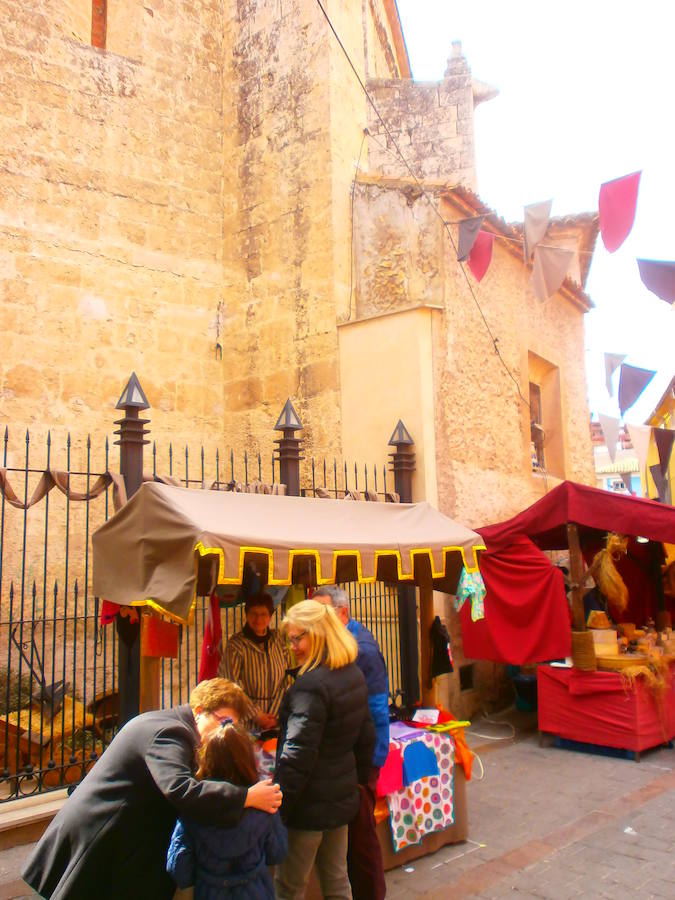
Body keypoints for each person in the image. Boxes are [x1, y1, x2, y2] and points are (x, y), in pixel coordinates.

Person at [22, 679, 282, 900]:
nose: (227, 732)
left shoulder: (173, 725)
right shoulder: (171, 733)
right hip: (100, 837)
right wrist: (247, 796)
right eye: (224, 722)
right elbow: (181, 789)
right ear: (200, 710)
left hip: (123, 839)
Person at [274, 599, 375, 900]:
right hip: (339, 800)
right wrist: (352, 783)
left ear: (318, 635)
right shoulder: (351, 673)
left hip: (308, 807)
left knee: (289, 887)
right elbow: (366, 737)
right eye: (290, 639)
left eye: (297, 638)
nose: (292, 646)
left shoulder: (310, 687)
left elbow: (297, 757)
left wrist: (281, 807)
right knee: (337, 882)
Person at [313, 586, 389, 900]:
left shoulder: (362, 650)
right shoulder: (336, 643)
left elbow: (372, 714)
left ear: (343, 613)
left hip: (362, 759)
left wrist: (362, 766)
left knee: (361, 837)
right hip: (345, 756)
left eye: (323, 614)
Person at [167, 721, 287, 899]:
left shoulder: (195, 810)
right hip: (256, 890)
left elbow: (179, 869)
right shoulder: (263, 803)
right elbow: (278, 852)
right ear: (248, 759)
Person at [219, 592, 291, 732]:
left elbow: (287, 677)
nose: (258, 619)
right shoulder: (236, 645)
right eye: (253, 613)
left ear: (270, 616)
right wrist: (256, 715)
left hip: (276, 719)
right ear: (246, 614)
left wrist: (275, 713)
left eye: (263, 614)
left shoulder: (278, 640)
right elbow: (231, 684)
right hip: (247, 723)